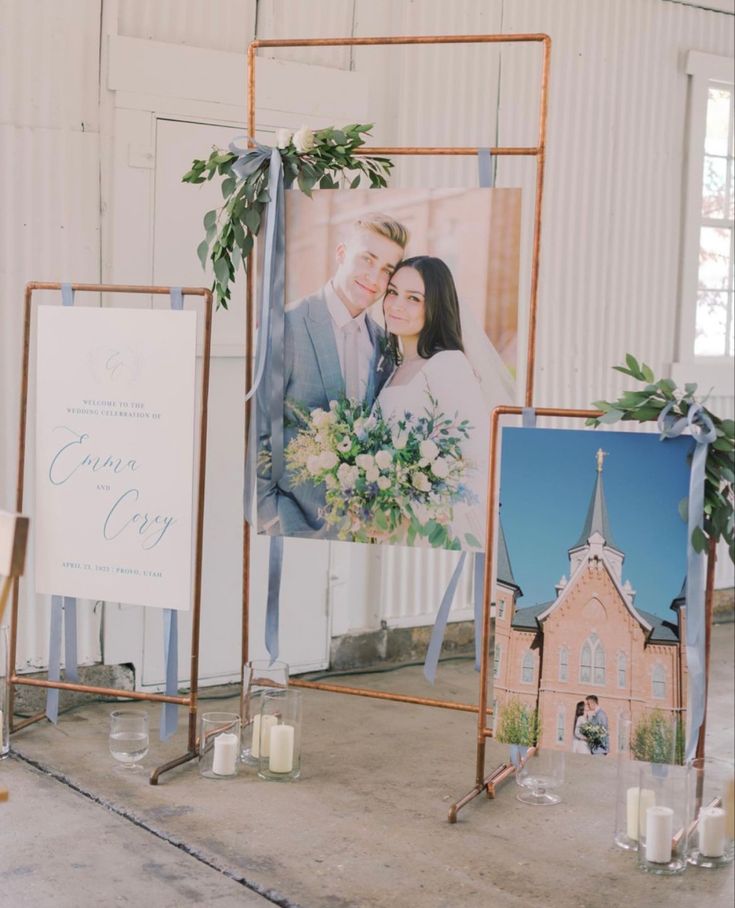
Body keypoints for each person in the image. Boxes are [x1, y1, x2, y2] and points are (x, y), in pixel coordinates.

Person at [257, 212, 409, 538]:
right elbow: (254, 433)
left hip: (359, 536)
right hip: (290, 528)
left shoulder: (386, 345)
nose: (374, 277)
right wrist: (270, 521)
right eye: (366, 259)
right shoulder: (287, 326)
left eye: (386, 270)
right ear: (341, 254)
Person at [376, 256, 511, 550]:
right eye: (393, 292)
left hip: (431, 534)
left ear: (435, 307)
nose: (396, 305)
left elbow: (477, 462)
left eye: (414, 298)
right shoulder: (393, 370)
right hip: (386, 532)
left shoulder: (448, 365)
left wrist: (411, 515)